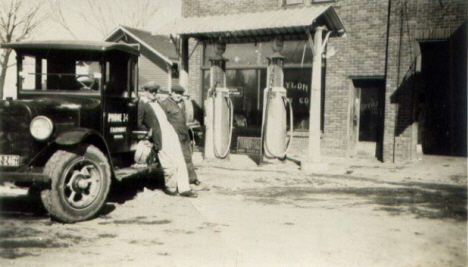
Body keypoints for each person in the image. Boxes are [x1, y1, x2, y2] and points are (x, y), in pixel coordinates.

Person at [138, 81, 197, 198]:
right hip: (159, 137)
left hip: (171, 133)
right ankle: (171, 188)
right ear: (146, 92)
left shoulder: (159, 103)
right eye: (151, 91)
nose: (154, 94)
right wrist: (149, 131)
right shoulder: (142, 105)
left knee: (180, 160)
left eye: (155, 91)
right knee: (168, 163)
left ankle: (184, 188)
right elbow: (138, 123)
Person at [159, 85, 205, 189]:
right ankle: (177, 182)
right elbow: (162, 121)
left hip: (184, 136)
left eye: (180, 94)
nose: (178, 96)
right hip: (173, 137)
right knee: (175, 160)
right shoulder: (164, 104)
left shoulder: (182, 104)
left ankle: (192, 179)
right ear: (172, 93)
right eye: (176, 93)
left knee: (187, 157)